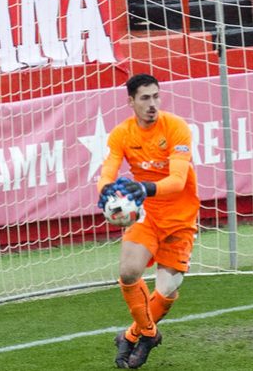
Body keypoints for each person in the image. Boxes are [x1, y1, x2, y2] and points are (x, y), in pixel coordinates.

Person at [97, 74, 200, 369]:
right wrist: (105, 191)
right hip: (147, 214)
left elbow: (178, 180)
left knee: (167, 289)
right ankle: (150, 334)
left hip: (180, 217)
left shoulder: (176, 128)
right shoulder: (121, 134)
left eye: (156, 96)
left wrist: (144, 188)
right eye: (145, 98)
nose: (152, 104)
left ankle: (131, 335)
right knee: (129, 272)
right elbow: (108, 170)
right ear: (131, 102)